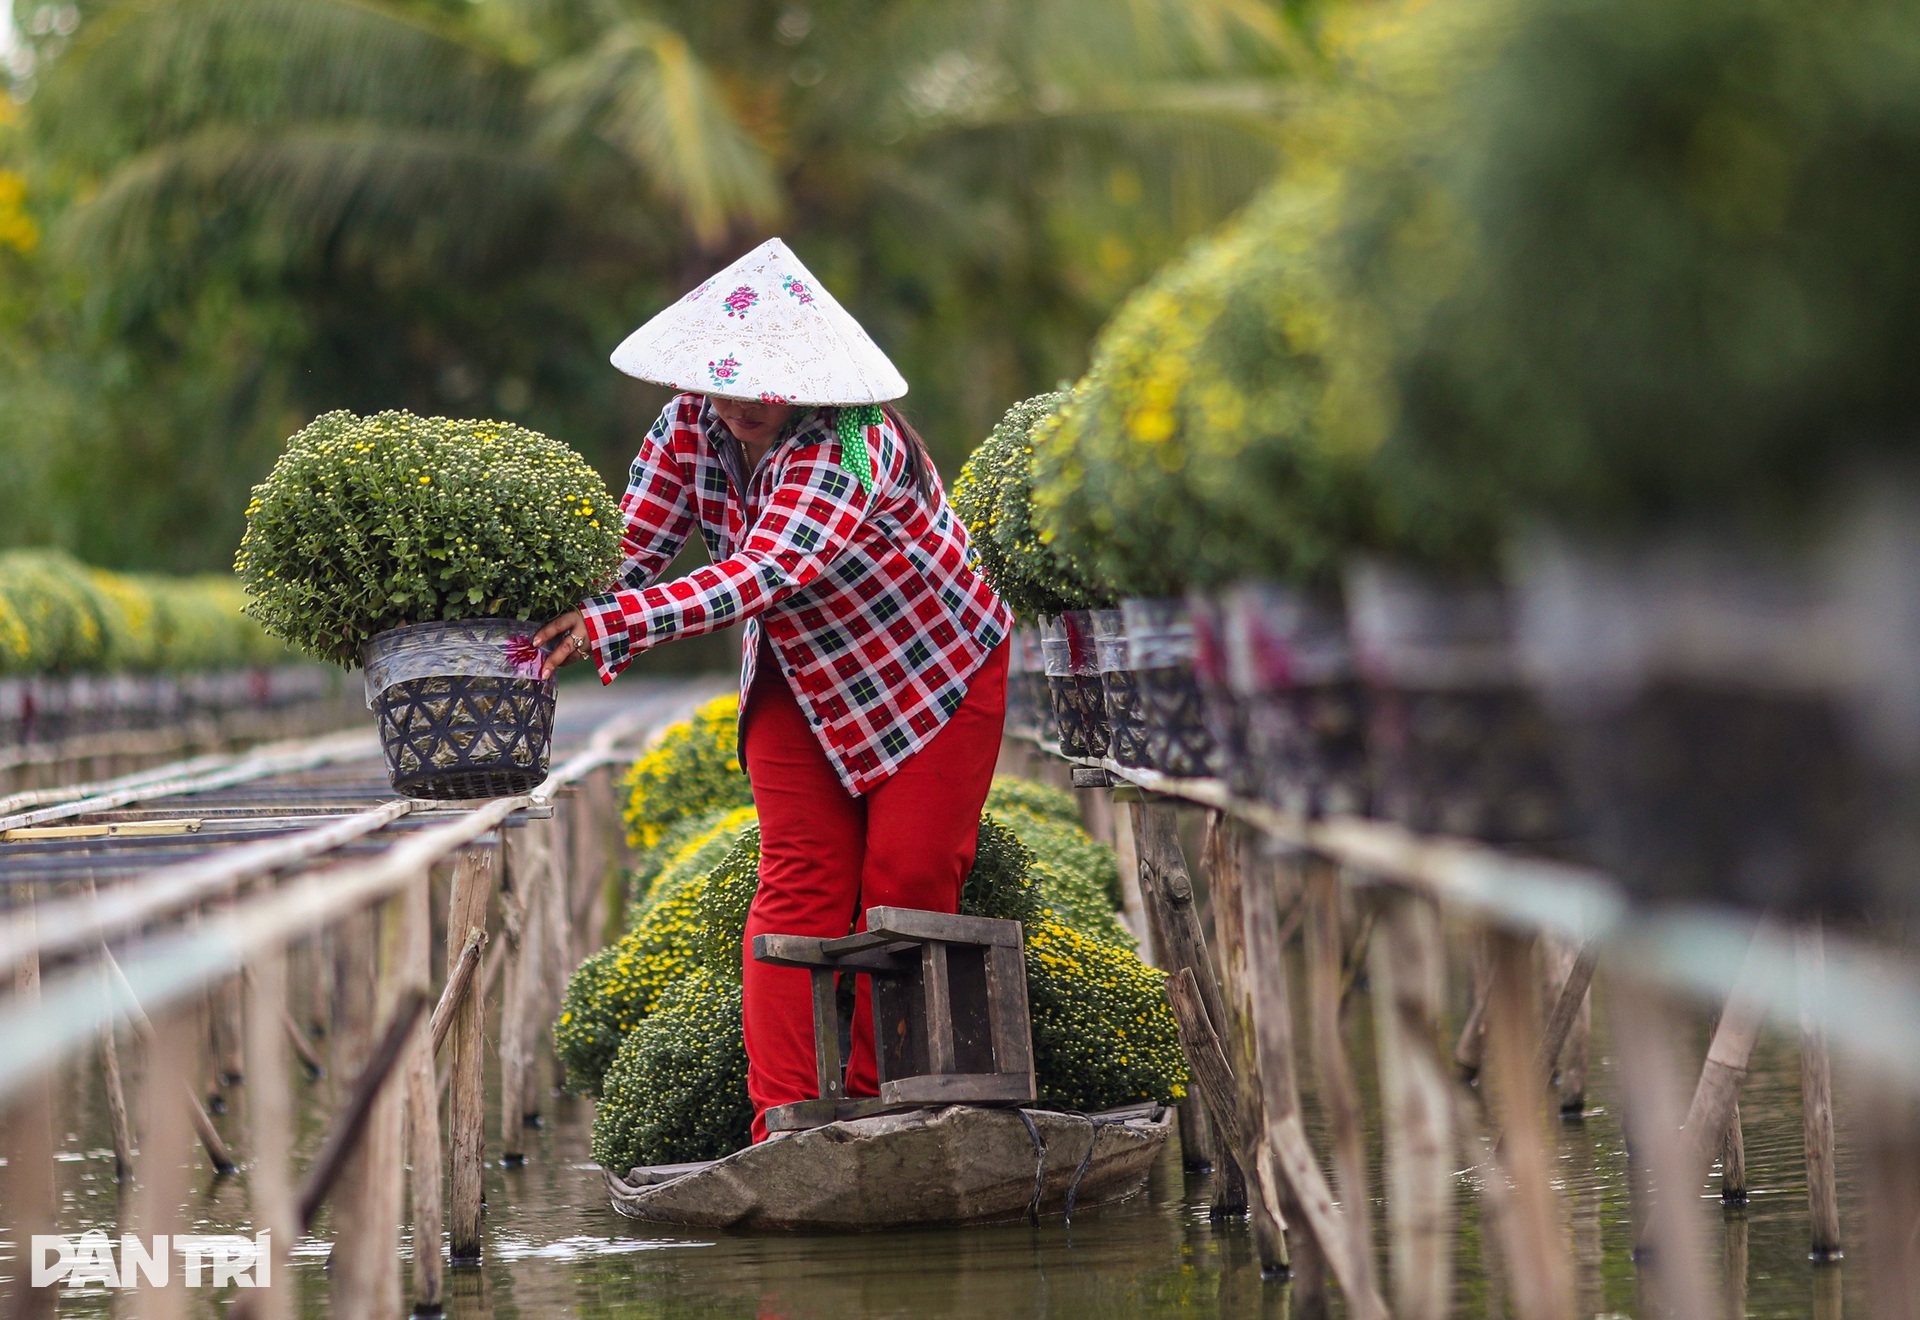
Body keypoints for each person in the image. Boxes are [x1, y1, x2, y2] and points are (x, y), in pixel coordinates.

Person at [534, 238, 1012, 1142]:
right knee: (799, 885)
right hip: (802, 670)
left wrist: (616, 624)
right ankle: (785, 1119)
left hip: (936, 668)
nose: (745, 402)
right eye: (727, 381)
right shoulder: (686, 426)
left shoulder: (852, 442)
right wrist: (542, 619)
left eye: (767, 384)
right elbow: (631, 554)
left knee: (907, 884)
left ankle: (885, 1104)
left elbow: (769, 570)